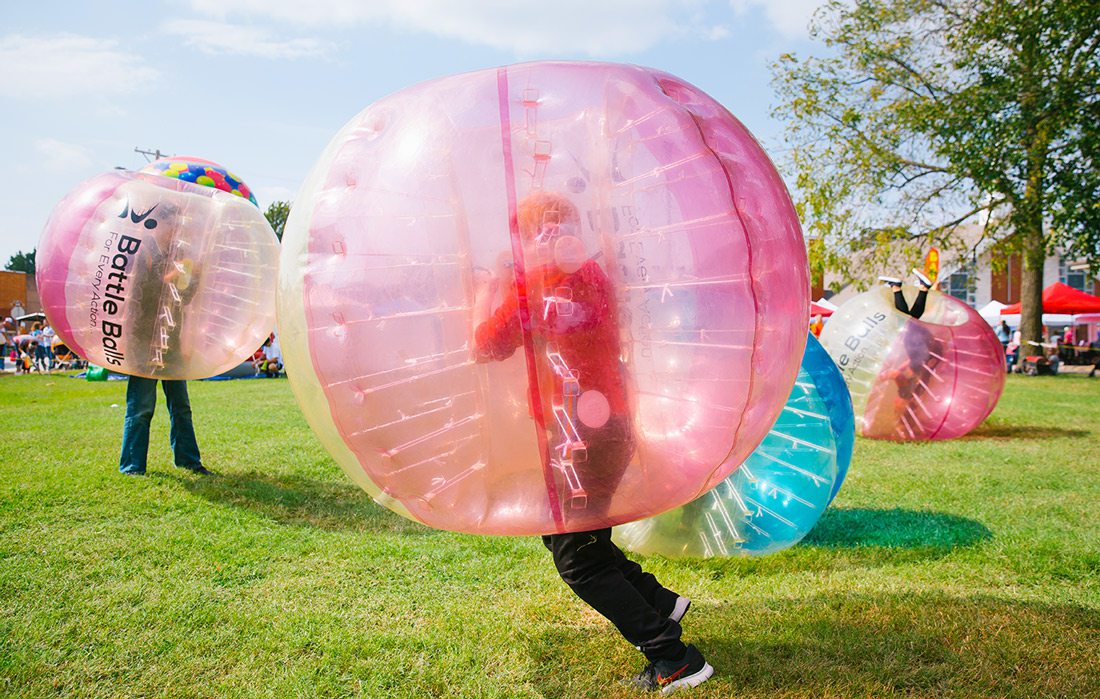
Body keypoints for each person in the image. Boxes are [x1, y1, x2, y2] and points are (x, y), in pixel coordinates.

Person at [472, 191, 712, 693]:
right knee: (576, 535)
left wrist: (490, 285)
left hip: (581, 436)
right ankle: (661, 602)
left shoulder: (536, 287)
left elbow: (484, 344)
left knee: (576, 557)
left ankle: (674, 658)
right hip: (602, 428)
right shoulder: (587, 277)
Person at [117, 200, 211, 477]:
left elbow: (182, 299)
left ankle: (189, 460)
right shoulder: (143, 250)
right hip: (144, 342)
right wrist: (169, 277)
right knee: (141, 406)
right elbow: (137, 293)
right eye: (175, 223)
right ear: (161, 223)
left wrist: (194, 277)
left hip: (169, 341)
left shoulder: (178, 255)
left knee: (181, 406)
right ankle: (132, 467)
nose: (179, 229)